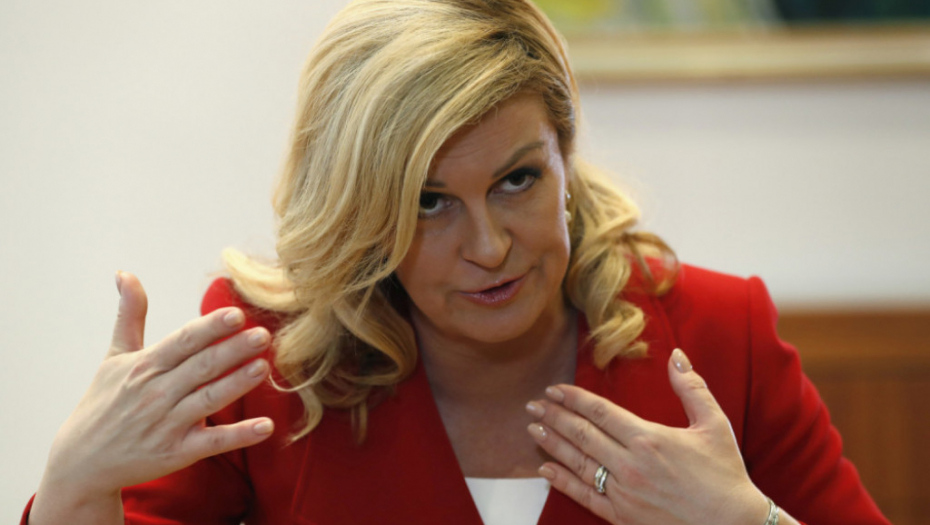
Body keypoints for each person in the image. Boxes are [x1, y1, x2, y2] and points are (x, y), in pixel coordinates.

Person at [25, 1, 890, 524]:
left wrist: (747, 522)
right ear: (363, 210)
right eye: (428, 202)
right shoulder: (270, 357)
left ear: (564, 157)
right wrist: (74, 482)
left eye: (518, 180)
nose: (488, 246)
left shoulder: (719, 332)